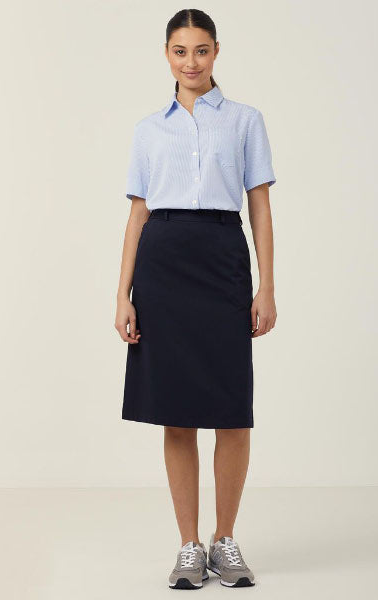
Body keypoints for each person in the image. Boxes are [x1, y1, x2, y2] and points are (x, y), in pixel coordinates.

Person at [115, 9, 277, 589]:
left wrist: (266, 286)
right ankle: (189, 545)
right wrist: (122, 293)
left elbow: (259, 208)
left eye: (201, 50)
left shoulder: (245, 121)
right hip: (162, 267)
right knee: (176, 411)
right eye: (180, 51)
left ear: (216, 52)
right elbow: (138, 214)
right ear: (167, 55)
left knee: (232, 410)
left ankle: (224, 540)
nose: (191, 62)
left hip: (221, 260)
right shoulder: (147, 129)